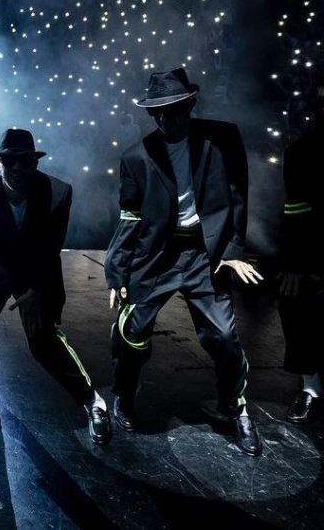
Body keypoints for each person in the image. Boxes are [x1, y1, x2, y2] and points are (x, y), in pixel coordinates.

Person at [105, 67, 264, 456]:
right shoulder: (136, 157)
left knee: (224, 337)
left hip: (203, 255)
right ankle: (124, 396)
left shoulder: (223, 139)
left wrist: (232, 252)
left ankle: (235, 406)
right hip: (156, 256)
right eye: (155, 112)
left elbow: (238, 196)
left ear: (189, 104)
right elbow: (129, 217)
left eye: (172, 110)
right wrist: (117, 271)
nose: (163, 119)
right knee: (132, 332)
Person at [0, 128, 111, 445]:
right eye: (10, 162)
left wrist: (36, 289)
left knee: (43, 340)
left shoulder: (58, 193)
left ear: (34, 163)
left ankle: (92, 401)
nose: (17, 169)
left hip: (37, 267)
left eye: (24, 162)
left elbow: (50, 248)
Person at [277, 86, 324, 424]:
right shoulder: (301, 153)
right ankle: (311, 388)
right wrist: (295, 265)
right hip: (316, 249)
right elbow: (296, 213)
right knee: (295, 301)